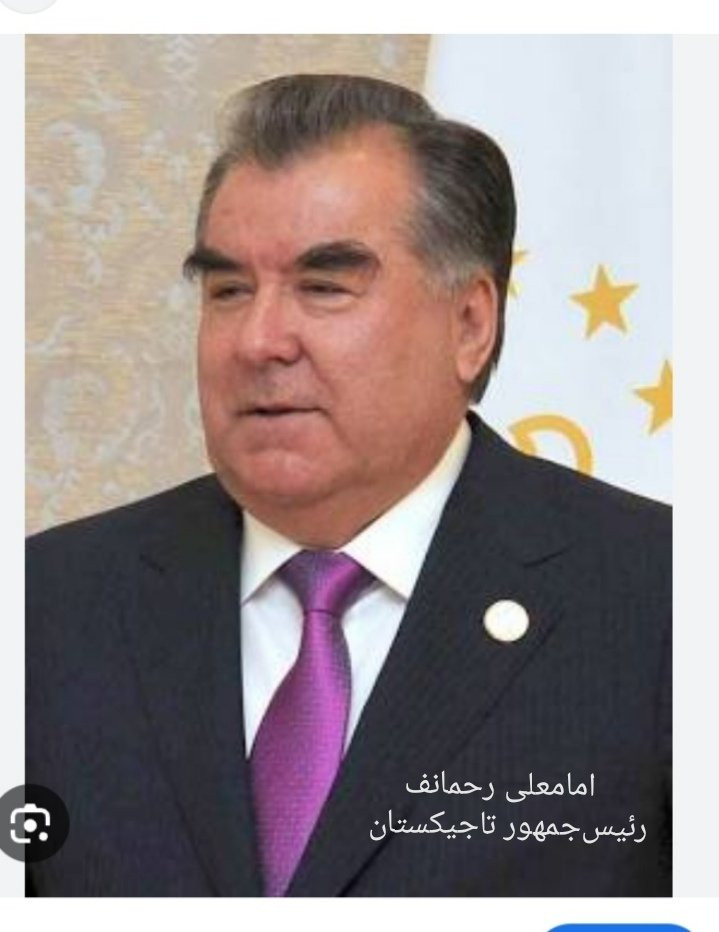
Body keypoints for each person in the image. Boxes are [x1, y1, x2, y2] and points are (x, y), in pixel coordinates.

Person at [26, 74, 671, 897]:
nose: (258, 340)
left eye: (323, 287)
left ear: (470, 324)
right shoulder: (48, 606)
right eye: (228, 290)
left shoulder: (664, 600)